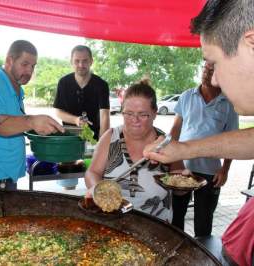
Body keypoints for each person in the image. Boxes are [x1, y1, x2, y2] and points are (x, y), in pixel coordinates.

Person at [143, 1, 254, 265]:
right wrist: (183, 150)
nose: (214, 79)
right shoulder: (187, 97)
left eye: (214, 62)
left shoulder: (226, 104)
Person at [0, 40, 64, 191]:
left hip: (6, 177)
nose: (29, 71)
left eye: (33, 66)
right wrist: (31, 121)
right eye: (24, 64)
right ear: (9, 61)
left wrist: (37, 128)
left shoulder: (17, 89)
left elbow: (15, 124)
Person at [84, 80, 183, 222]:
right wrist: (99, 190)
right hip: (112, 222)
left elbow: (180, 186)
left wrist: (184, 183)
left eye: (143, 114)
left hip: (157, 227)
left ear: (155, 113)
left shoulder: (166, 144)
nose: (134, 120)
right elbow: (92, 172)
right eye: (129, 113)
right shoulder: (110, 137)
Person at [170, 62, 238, 237]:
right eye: (205, 69)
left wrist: (225, 170)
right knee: (176, 217)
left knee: (204, 221)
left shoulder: (228, 103)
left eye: (212, 70)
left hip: (210, 172)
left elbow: (233, 140)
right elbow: (176, 129)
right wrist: (170, 156)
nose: (206, 73)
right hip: (183, 169)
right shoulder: (186, 96)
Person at [53, 45, 110, 190]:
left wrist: (102, 143)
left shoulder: (101, 85)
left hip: (94, 139)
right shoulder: (64, 83)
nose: (81, 65)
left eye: (85, 61)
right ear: (71, 62)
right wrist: (76, 120)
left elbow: (104, 115)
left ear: (91, 61)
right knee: (68, 185)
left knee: (95, 184)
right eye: (77, 61)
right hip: (69, 138)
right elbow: (58, 112)